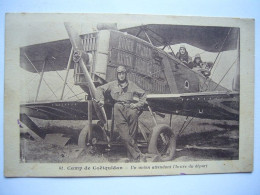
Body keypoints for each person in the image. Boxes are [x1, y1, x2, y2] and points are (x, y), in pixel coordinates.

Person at [96, 66, 147, 162]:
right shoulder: (112, 84)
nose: (121, 75)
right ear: (117, 75)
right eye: (119, 73)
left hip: (131, 108)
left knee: (133, 134)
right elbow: (99, 89)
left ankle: (132, 158)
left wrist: (137, 105)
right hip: (118, 108)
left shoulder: (132, 85)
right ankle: (138, 155)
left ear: (125, 74)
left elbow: (143, 94)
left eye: (123, 73)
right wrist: (101, 100)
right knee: (124, 135)